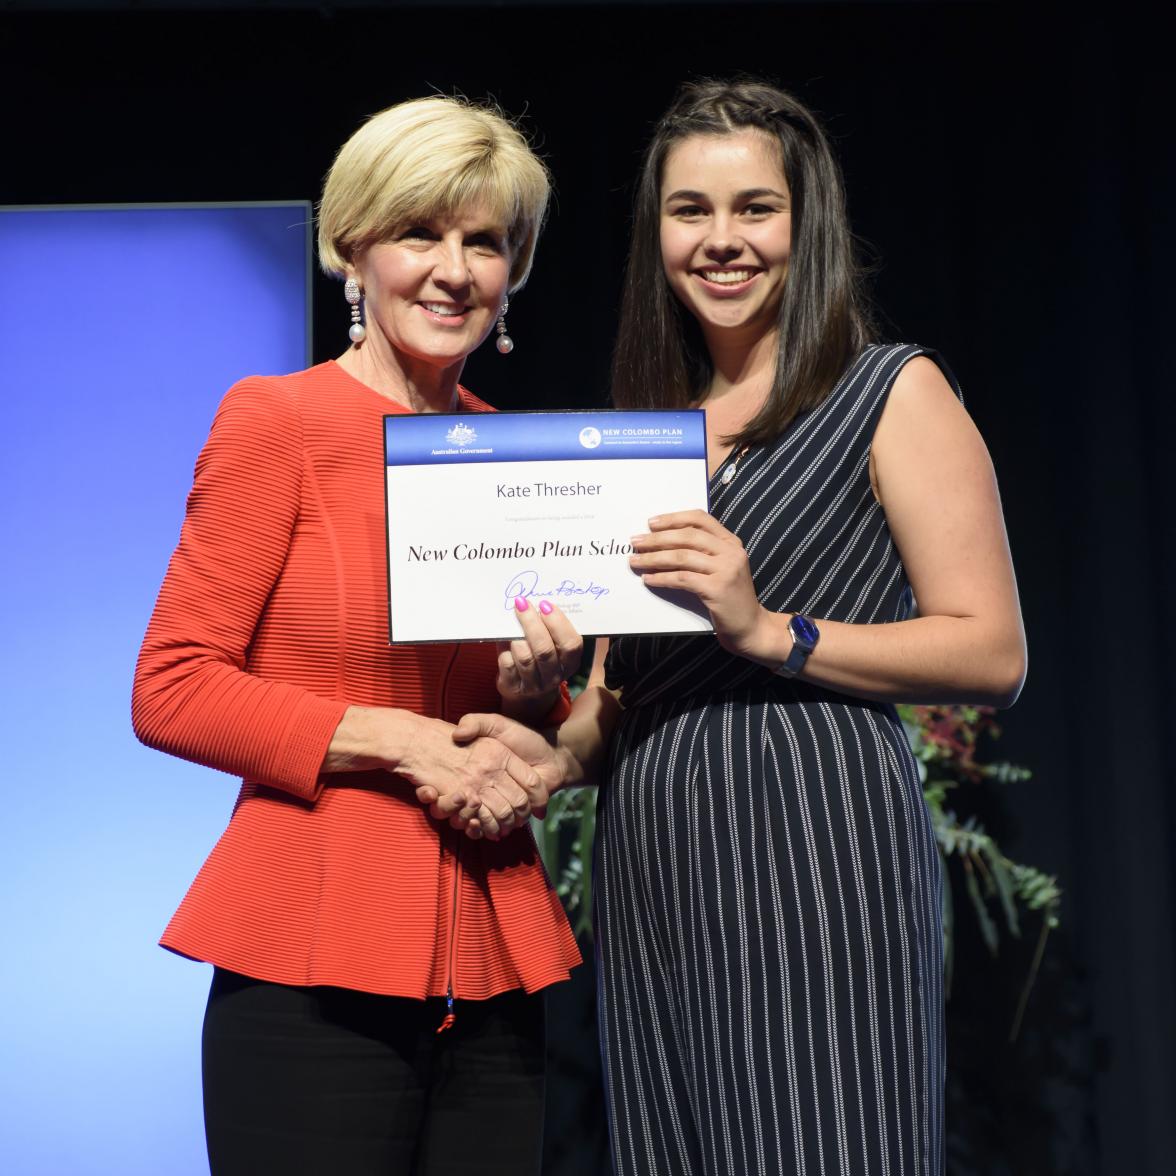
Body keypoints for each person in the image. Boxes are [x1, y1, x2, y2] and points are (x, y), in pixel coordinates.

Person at [455, 79, 1027, 1176]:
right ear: (654, 234)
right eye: (690, 212)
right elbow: (629, 691)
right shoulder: (644, 430)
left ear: (805, 226)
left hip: (816, 835)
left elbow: (993, 652)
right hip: (659, 845)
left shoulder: (888, 393)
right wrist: (554, 742)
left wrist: (773, 631)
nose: (722, 241)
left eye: (754, 208)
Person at [131, 95, 584, 1176]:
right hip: (309, 957)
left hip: (489, 955)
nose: (454, 269)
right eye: (420, 233)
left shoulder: (511, 453)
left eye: (486, 242)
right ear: (352, 250)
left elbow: (497, 716)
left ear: (514, 272)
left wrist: (533, 697)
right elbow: (173, 686)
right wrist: (399, 740)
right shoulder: (274, 421)